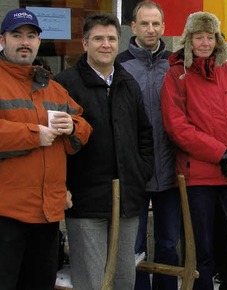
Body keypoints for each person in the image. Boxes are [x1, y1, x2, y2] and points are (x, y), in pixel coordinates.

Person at [54, 13, 154, 290]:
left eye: (111, 38)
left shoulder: (127, 83)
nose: (106, 44)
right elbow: (57, 144)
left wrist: (141, 171)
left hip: (127, 199)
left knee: (124, 278)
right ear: (85, 44)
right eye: (98, 38)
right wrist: (63, 186)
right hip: (85, 199)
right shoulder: (66, 84)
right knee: (92, 281)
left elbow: (145, 134)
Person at [160, 11, 227, 290]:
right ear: (189, 40)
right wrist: (221, 153)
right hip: (198, 177)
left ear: (217, 40)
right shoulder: (176, 76)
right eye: (199, 37)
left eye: (210, 37)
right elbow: (177, 127)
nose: (205, 43)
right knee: (202, 249)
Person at [0, 8, 91, 289]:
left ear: (39, 42)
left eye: (31, 36)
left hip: (47, 213)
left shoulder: (52, 86)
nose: (25, 42)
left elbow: (84, 125)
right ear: (2, 40)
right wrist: (32, 134)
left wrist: (73, 127)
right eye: (17, 35)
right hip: (7, 214)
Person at [115, 2, 180, 290]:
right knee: (134, 245)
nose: (150, 29)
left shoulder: (176, 64)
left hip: (170, 171)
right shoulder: (119, 65)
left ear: (163, 27)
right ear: (133, 26)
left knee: (168, 242)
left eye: (156, 24)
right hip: (134, 172)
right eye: (144, 24)